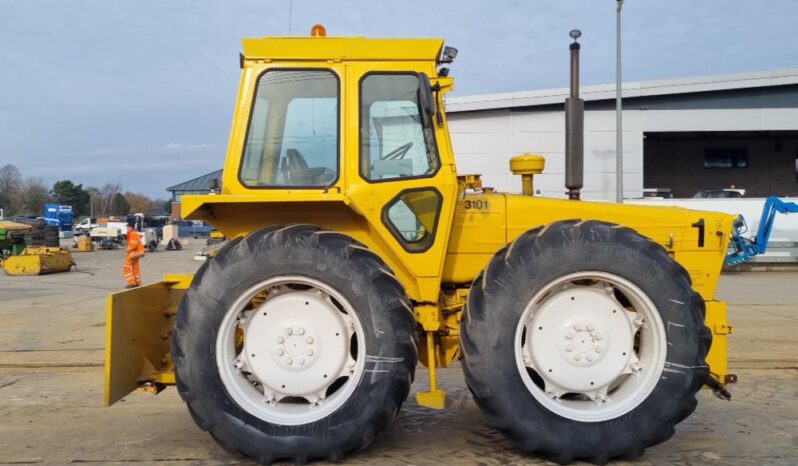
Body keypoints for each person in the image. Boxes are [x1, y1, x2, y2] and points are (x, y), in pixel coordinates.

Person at [123, 219, 145, 288]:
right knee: (135, 267)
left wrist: (128, 250)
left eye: (127, 227)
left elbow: (133, 244)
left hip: (134, 253)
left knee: (126, 267)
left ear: (131, 227)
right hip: (138, 253)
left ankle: (132, 283)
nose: (126, 228)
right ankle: (138, 282)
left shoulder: (132, 233)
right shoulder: (135, 233)